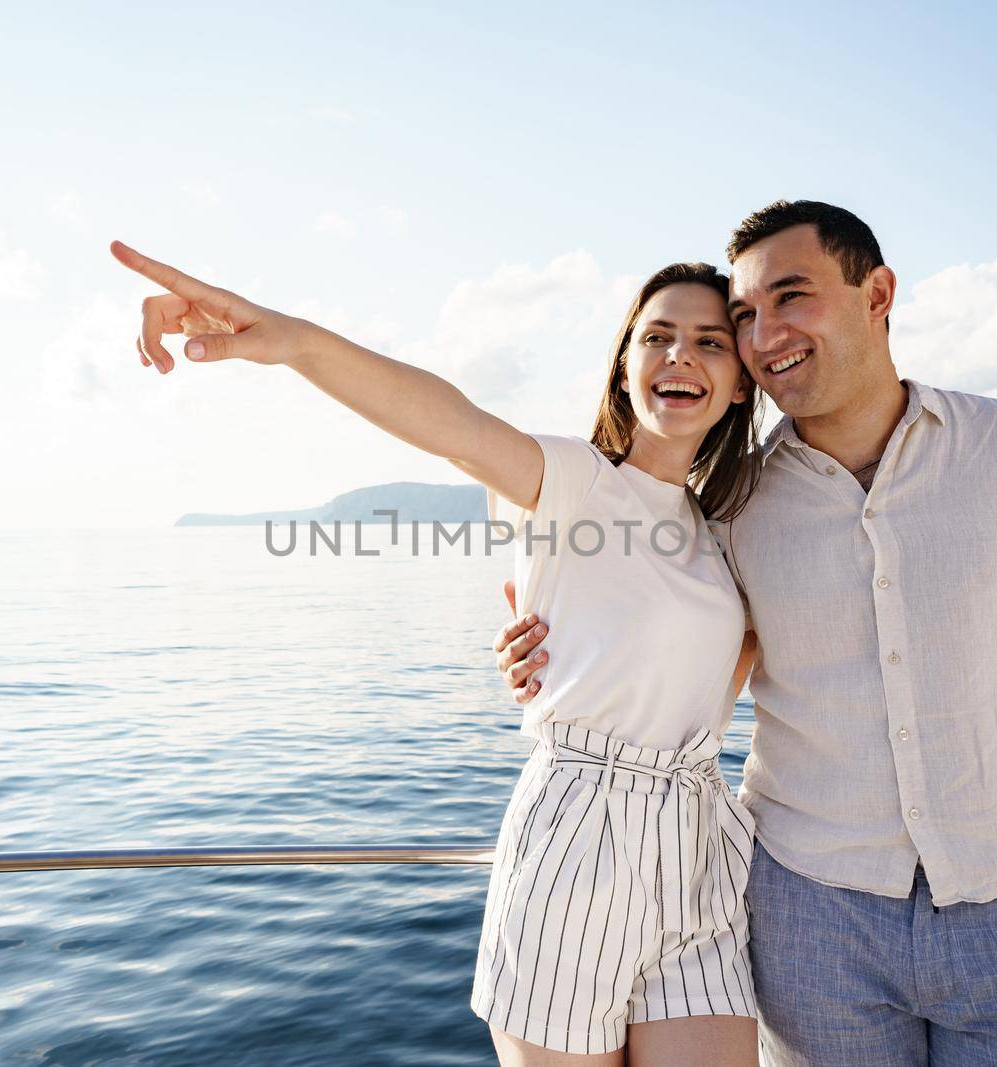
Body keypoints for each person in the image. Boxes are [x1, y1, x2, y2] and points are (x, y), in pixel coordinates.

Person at [494, 201, 997, 1066]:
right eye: (746, 315)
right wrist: (546, 654)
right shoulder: (729, 507)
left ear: (878, 292)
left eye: (790, 297)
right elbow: (656, 637)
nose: (764, 335)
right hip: (806, 920)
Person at [110, 242, 767, 1066]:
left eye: (710, 340)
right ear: (626, 365)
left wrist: (562, 663)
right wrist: (291, 339)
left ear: (742, 379)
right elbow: (450, 422)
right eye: (658, 336)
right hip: (580, 839)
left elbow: (708, 671)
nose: (681, 355)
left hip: (699, 842)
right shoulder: (574, 482)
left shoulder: (727, 536)